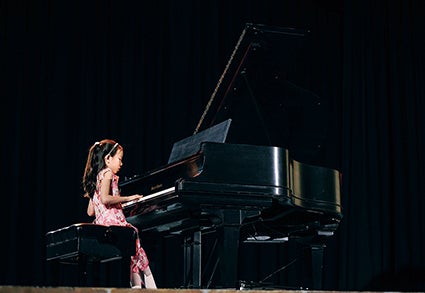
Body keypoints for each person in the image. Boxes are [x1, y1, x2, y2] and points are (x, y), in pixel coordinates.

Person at [82, 139, 157, 289]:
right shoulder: (108, 173)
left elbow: (90, 211)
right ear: (108, 159)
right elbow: (105, 198)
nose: (121, 163)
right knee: (136, 245)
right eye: (119, 159)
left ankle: (138, 287)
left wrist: (117, 204)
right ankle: (150, 287)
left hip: (102, 223)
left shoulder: (97, 178)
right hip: (113, 223)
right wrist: (128, 198)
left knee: (134, 252)